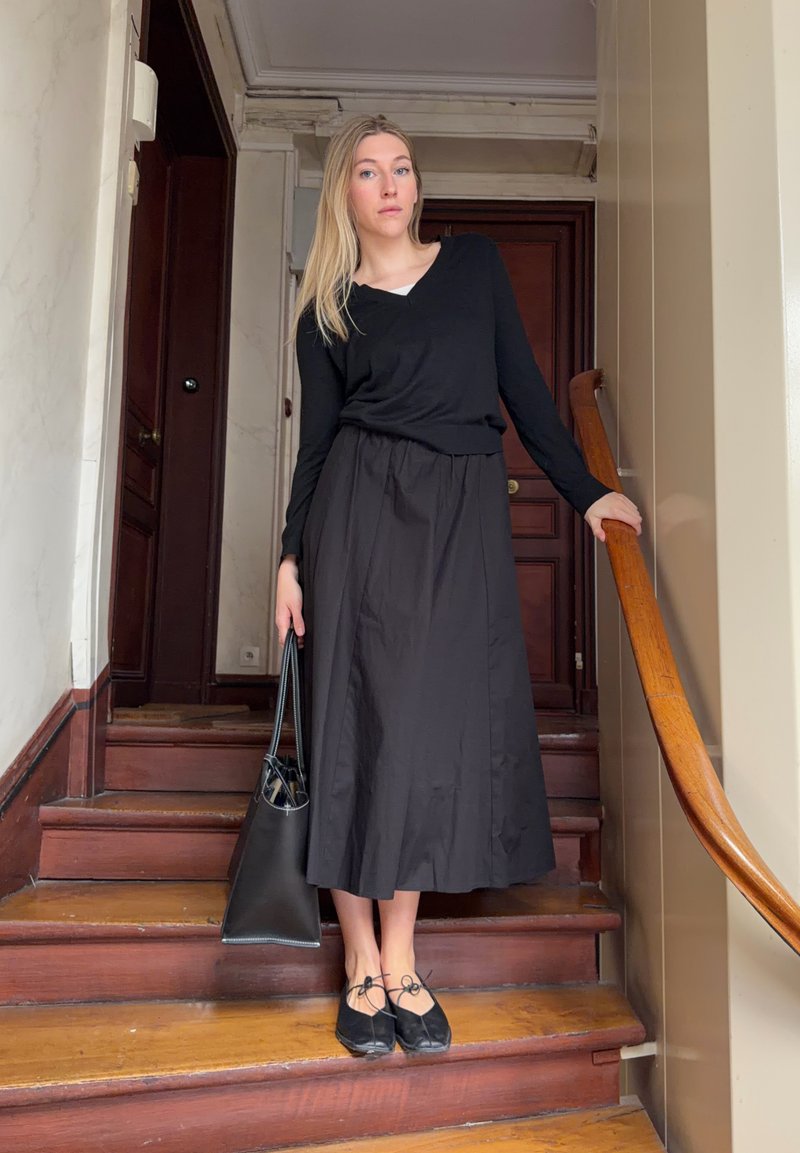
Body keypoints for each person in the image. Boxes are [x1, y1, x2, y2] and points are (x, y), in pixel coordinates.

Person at [275, 114, 641, 1058]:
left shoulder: (474, 267)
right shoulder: (326, 304)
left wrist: (587, 491)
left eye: (402, 167)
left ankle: (402, 951)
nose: (390, 184)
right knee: (357, 728)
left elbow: (523, 389)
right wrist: (288, 558)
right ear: (344, 194)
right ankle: (360, 959)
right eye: (368, 170)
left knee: (425, 735)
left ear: (417, 184)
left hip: (458, 518)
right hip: (356, 515)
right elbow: (316, 443)